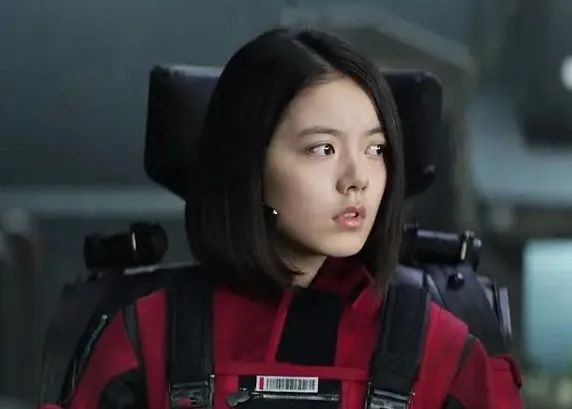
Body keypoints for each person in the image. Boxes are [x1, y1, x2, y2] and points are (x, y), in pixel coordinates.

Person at [52, 28, 523, 408]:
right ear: (250, 167)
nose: (356, 179)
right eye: (323, 149)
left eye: (375, 149)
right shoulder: (148, 334)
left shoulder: (441, 347)